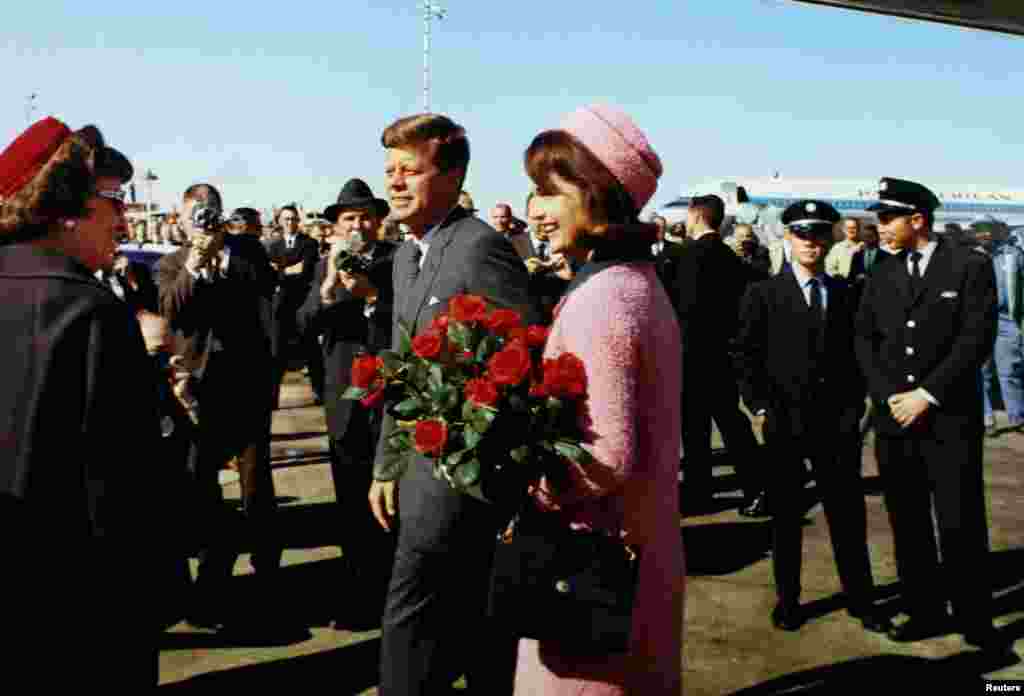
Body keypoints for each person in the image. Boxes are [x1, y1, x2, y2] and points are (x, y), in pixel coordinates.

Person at [516, 103, 683, 695]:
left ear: (595, 194)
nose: (536, 208)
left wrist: (520, 477)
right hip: (641, 552)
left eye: (548, 190)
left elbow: (604, 455)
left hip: (594, 564)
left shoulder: (604, 297)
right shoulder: (636, 282)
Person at [369, 113, 536, 696]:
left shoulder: (478, 249)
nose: (393, 182)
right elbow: (400, 366)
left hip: (463, 482)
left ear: (453, 175)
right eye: (389, 169)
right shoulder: (404, 256)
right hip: (416, 473)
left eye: (410, 170)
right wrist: (387, 465)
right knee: (457, 627)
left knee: (410, 621)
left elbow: (526, 356)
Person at [0, 117, 163, 688]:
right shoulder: (87, 312)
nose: (124, 219)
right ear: (64, 205)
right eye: (113, 200)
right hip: (75, 612)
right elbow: (124, 491)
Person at [855, 177, 1003, 649]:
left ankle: (975, 617)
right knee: (908, 519)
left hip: (948, 418)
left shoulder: (968, 266)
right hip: (895, 418)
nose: (878, 227)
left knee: (959, 518)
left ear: (916, 220)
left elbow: (975, 339)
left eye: (886, 218)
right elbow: (865, 339)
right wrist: (887, 395)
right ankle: (924, 610)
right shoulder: (881, 270)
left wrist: (928, 395)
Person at [735, 200, 891, 634]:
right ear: (788, 238)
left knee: (847, 516)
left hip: (836, 425)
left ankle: (862, 599)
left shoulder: (845, 293)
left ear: (831, 240)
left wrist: (859, 407)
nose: (811, 243)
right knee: (786, 519)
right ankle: (788, 600)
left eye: (820, 235)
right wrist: (760, 407)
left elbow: (860, 355)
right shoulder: (762, 294)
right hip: (784, 423)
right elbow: (745, 355)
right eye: (803, 235)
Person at [155, 183, 281, 628]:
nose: (203, 222)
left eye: (209, 214)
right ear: (182, 219)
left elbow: (268, 308)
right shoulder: (170, 264)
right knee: (200, 487)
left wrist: (226, 259)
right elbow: (171, 309)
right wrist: (195, 263)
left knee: (255, 488)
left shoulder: (247, 253)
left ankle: (267, 572)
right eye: (195, 216)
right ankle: (212, 577)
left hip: (245, 387)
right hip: (197, 392)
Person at [298, 178, 398, 626]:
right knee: (351, 502)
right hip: (343, 396)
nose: (357, 225)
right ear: (336, 226)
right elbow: (302, 323)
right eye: (348, 218)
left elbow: (401, 325)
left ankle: (392, 595)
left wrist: (371, 295)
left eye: (364, 217)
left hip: (386, 393)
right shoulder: (324, 266)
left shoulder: (398, 261)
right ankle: (360, 594)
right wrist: (328, 291)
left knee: (391, 500)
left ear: (378, 222)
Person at [673, 193, 765, 514]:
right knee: (732, 424)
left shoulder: (684, 257)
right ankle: (755, 487)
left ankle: (700, 493)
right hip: (724, 355)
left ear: (696, 216)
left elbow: (680, 310)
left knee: (694, 431)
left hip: (690, 356)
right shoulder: (730, 259)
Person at [267, 204, 325, 406]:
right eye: (286, 219)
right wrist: (289, 269)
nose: (290, 222)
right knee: (276, 353)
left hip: (303, 303)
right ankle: (272, 397)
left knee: (311, 351)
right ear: (280, 222)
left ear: (298, 221)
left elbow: (306, 270)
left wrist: (280, 270)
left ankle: (320, 393)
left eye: (293, 219)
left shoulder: (309, 243)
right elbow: (270, 274)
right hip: (281, 306)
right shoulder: (272, 246)